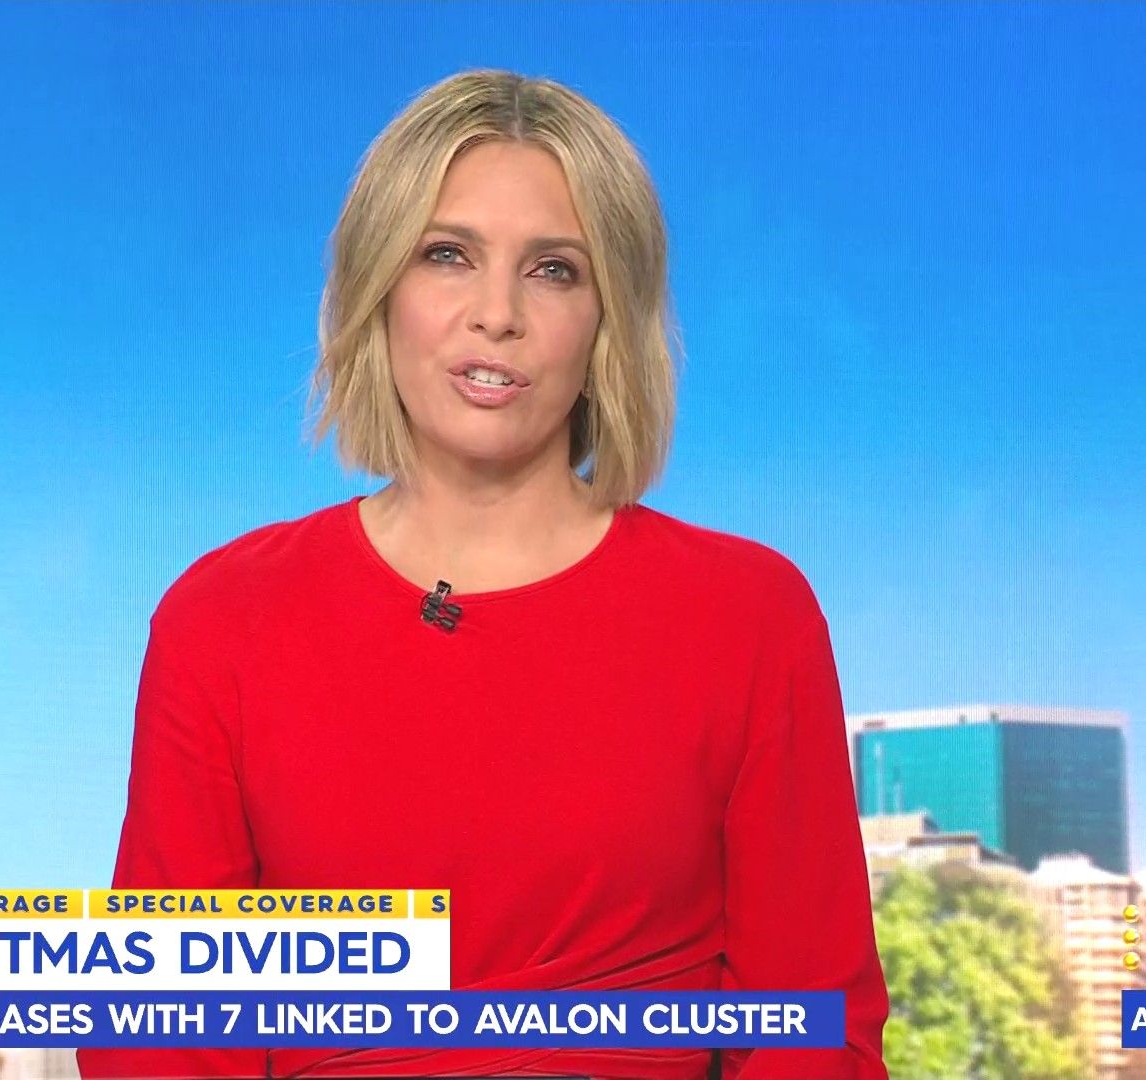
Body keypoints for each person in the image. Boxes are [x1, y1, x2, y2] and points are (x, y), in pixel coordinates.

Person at [77, 68, 889, 1079]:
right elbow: (160, 1039)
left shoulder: (748, 615)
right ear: (379, 289)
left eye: (554, 270)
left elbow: (814, 1029)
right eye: (447, 255)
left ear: (608, 319)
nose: (496, 314)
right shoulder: (223, 619)